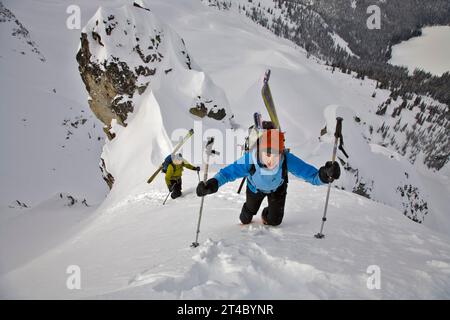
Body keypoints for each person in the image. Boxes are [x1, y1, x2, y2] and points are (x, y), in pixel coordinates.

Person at [196, 126, 341, 226]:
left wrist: (326, 174)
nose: (272, 160)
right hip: (254, 189)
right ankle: (248, 210)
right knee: (246, 217)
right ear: (259, 150)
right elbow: (227, 174)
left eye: (277, 154)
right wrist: (211, 185)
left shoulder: (287, 159)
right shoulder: (249, 160)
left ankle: (267, 214)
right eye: (268, 154)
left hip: (277, 189)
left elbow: (313, 176)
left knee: (274, 222)